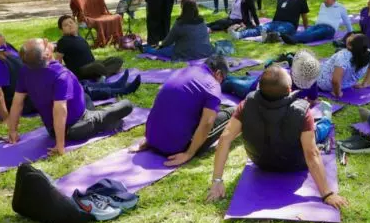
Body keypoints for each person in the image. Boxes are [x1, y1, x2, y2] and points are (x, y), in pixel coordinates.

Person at [206, 66, 348, 210]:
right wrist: (327, 194)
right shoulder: (302, 111)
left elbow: (225, 138)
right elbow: (311, 153)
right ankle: (326, 118)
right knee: (320, 130)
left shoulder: (246, 105)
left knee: (309, 132)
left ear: (259, 86)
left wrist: (217, 180)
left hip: (261, 161)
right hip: (294, 165)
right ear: (289, 89)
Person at [8, 39, 134, 155]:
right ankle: (102, 120)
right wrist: (60, 144)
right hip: (74, 126)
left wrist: (12, 130)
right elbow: (60, 111)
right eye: (44, 43)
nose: (47, 40)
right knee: (127, 105)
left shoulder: (26, 69)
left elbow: (17, 101)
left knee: (84, 91)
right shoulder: (60, 76)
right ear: (46, 55)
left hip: (72, 112)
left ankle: (115, 88)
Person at [134, 56, 234, 166]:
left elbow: (162, 104)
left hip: (151, 139)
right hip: (175, 148)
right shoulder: (212, 85)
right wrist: (189, 154)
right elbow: (207, 123)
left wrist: (151, 138)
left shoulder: (182, 71)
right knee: (233, 113)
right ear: (218, 73)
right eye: (222, 80)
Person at [222, 49, 322, 103]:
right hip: (255, 85)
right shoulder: (310, 81)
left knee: (231, 82)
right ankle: (219, 77)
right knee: (235, 80)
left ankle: (219, 78)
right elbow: (312, 100)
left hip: (255, 86)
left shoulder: (284, 81)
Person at [231, 0, 309, 42]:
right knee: (261, 28)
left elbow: (304, 16)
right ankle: (239, 35)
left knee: (281, 31)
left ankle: (270, 37)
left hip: (289, 24)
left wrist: (306, 30)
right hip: (275, 22)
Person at [55, 15, 123, 80]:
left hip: (93, 64)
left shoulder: (79, 37)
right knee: (98, 67)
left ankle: (103, 75)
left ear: (76, 24)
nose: (70, 25)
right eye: (66, 25)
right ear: (62, 30)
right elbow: (58, 60)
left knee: (117, 60)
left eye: (71, 22)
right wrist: (60, 75)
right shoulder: (63, 41)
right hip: (80, 70)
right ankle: (106, 73)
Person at [141, 1, 214, 60]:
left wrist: (160, 47)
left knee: (157, 51)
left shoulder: (180, 23)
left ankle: (144, 49)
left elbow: (168, 41)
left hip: (186, 53)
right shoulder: (201, 21)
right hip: (205, 52)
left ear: (183, 10)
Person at [281, 0, 351, 44]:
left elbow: (347, 21)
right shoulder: (322, 5)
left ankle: (293, 39)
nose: (325, 1)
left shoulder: (340, 7)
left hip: (329, 29)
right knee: (306, 31)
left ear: (334, 0)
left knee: (314, 34)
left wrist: (351, 34)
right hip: (317, 26)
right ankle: (288, 37)